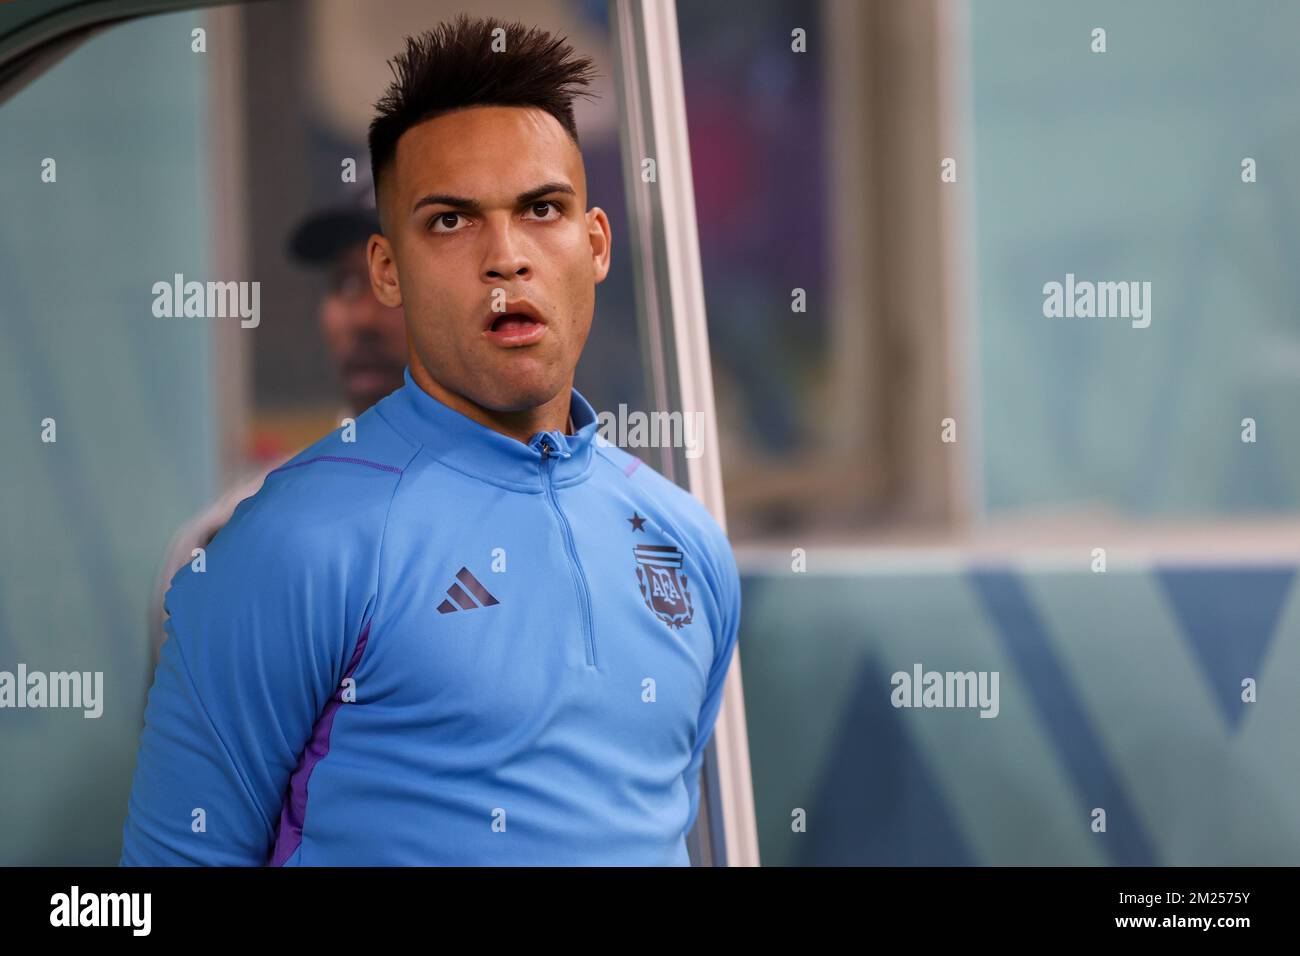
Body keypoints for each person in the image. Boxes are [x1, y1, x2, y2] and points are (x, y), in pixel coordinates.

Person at [121, 13, 741, 866]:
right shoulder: (289, 542)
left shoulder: (688, 541)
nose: (506, 258)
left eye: (542, 209)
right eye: (451, 221)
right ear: (387, 269)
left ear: (595, 244)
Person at [146, 176, 408, 667]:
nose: (363, 319)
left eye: (395, 283)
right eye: (346, 285)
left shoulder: (532, 512)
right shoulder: (225, 541)